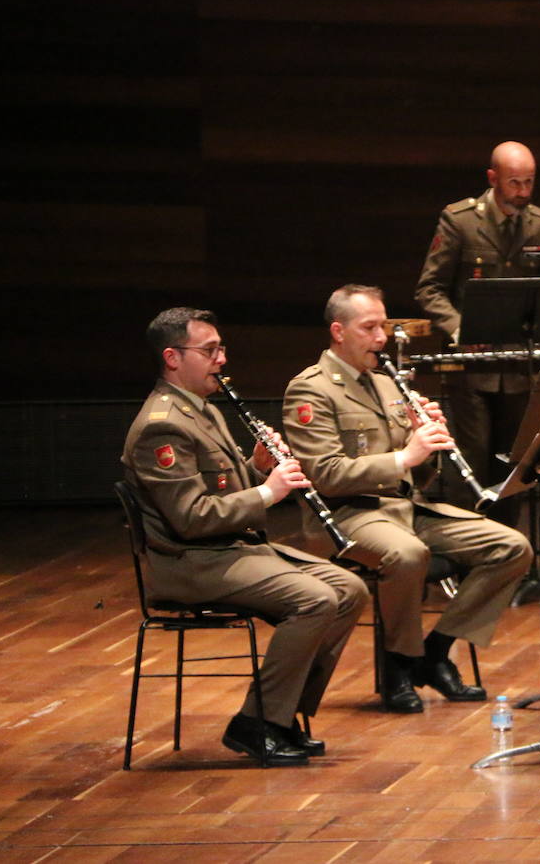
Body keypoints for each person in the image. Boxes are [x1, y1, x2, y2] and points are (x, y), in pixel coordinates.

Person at [122, 307, 367, 765]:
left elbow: (220, 488)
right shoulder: (161, 425)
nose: (221, 359)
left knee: (349, 588)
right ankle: (258, 724)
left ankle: (279, 714)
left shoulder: (203, 408)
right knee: (314, 599)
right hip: (189, 562)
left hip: (227, 549)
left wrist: (256, 466)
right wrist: (268, 492)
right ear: (172, 358)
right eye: (209, 350)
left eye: (221, 348)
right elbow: (191, 519)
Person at [284, 284, 533, 713]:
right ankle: (399, 665)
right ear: (338, 331)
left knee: (511, 546)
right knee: (406, 554)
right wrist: (404, 455)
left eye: (384, 326)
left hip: (404, 507)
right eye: (370, 328)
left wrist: (426, 445)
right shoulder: (310, 390)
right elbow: (325, 475)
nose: (382, 338)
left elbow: (417, 473)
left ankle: (436, 651)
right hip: (347, 514)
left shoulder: (385, 383)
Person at [413, 140, 540, 521]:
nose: (523, 192)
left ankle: (511, 554)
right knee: (473, 464)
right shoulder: (460, 220)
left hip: (518, 367)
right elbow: (429, 289)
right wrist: (461, 329)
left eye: (530, 182)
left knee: (514, 466)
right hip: (471, 368)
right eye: (515, 183)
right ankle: (473, 552)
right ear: (493, 178)